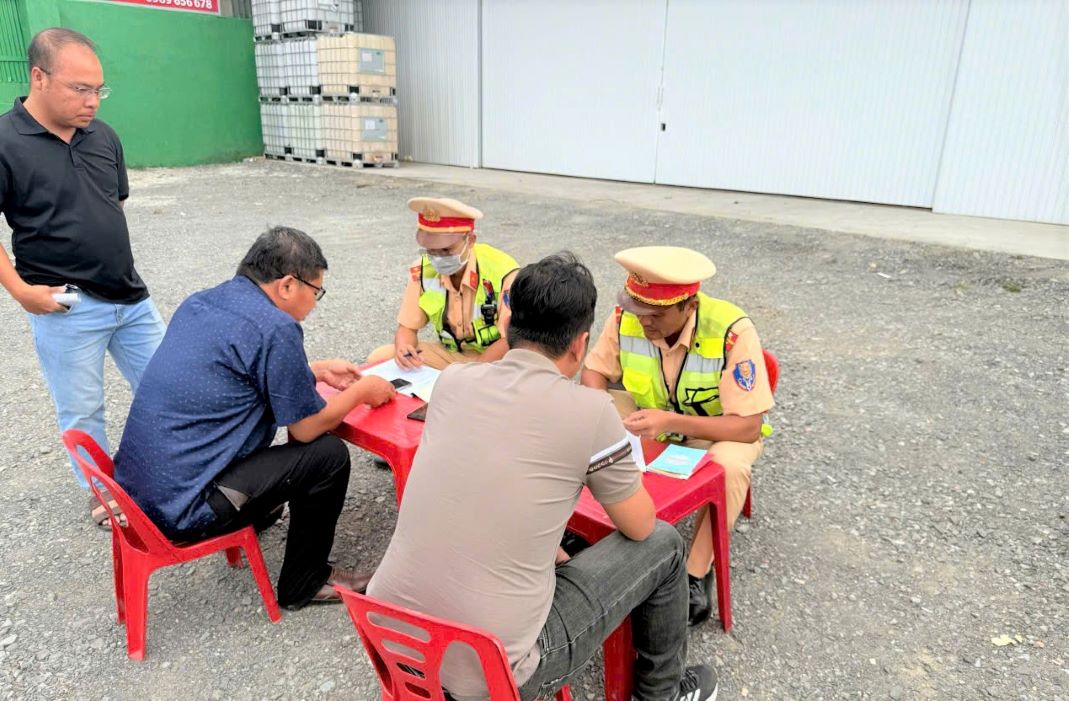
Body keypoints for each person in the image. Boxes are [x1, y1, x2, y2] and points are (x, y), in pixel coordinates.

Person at [368, 253, 719, 701]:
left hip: (390, 634)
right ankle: (661, 694)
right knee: (665, 544)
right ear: (580, 344)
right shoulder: (591, 412)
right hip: (493, 668)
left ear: (507, 324)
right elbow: (639, 526)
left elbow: (481, 483)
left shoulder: (454, 381)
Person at [114, 226, 396, 610]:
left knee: (291, 459)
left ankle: (257, 517)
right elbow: (305, 428)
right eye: (315, 292)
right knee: (327, 455)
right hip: (183, 509)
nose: (314, 304)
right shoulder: (276, 326)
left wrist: (313, 370)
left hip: (140, 495)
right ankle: (305, 582)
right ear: (287, 285)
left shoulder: (204, 302)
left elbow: (236, 375)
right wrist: (363, 392)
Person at [0, 28, 166, 526]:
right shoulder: (5, 142)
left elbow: (112, 206)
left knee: (169, 387)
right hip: (66, 306)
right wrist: (21, 291)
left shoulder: (103, 137)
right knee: (83, 410)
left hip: (131, 298)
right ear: (38, 77)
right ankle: (102, 492)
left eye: (98, 89)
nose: (92, 101)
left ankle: (170, 471)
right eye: (79, 89)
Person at [580, 246, 774, 627]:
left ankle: (695, 573)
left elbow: (748, 426)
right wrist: (603, 414)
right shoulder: (626, 317)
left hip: (709, 433)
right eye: (639, 311)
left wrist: (672, 422)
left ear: (690, 306)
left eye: (656, 315)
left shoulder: (732, 331)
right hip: (648, 421)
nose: (644, 322)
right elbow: (593, 372)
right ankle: (593, 525)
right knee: (588, 418)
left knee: (732, 465)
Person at [366, 197, 518, 371]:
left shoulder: (503, 272)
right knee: (380, 357)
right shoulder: (422, 271)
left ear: (470, 240)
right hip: (452, 355)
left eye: (446, 250)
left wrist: (473, 374)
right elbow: (407, 327)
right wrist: (404, 349)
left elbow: (511, 339)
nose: (438, 258)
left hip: (496, 359)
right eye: (431, 250)